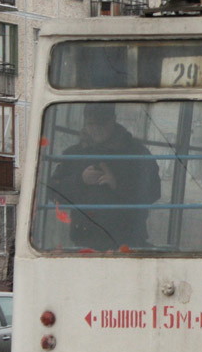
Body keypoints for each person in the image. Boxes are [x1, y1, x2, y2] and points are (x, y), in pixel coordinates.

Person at [49, 103, 161, 250]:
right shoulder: (73, 154)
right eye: (91, 124)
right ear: (85, 123)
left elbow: (153, 191)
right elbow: (53, 192)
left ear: (113, 120)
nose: (96, 129)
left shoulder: (137, 153)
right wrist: (80, 180)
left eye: (102, 123)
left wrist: (117, 184)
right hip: (86, 241)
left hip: (128, 240)